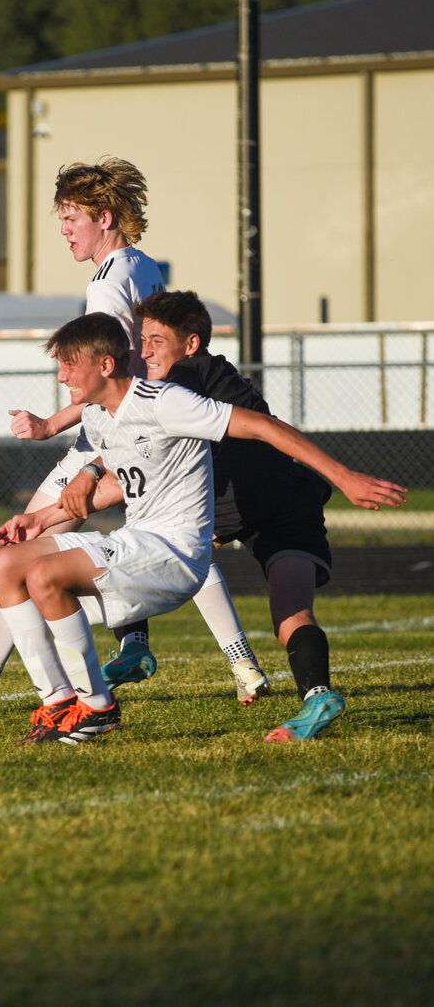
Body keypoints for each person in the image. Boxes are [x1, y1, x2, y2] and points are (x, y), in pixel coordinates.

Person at [0, 158, 263, 726]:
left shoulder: (108, 281)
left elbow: (110, 371)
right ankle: (237, 662)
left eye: (72, 218)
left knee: (24, 557)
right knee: (170, 542)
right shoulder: (141, 266)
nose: (65, 230)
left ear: (105, 216)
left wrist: (84, 449)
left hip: (108, 440)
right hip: (129, 434)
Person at [0, 311, 403, 744]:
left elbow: (261, 425)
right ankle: (58, 701)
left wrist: (346, 477)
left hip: (174, 552)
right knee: (2, 565)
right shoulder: (98, 417)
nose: (61, 377)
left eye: (69, 364)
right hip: (137, 542)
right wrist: (40, 519)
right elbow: (122, 482)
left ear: (105, 366)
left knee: (44, 575)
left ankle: (96, 707)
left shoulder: (165, 400)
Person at [67, 290, 352, 740]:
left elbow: (121, 418)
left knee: (132, 542)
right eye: (142, 339)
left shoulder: (181, 378)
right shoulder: (213, 373)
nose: (144, 351)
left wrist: (77, 460)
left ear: (191, 344)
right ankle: (317, 694)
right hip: (290, 498)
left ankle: (135, 647)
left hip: (233, 499)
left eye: (156, 340)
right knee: (291, 616)